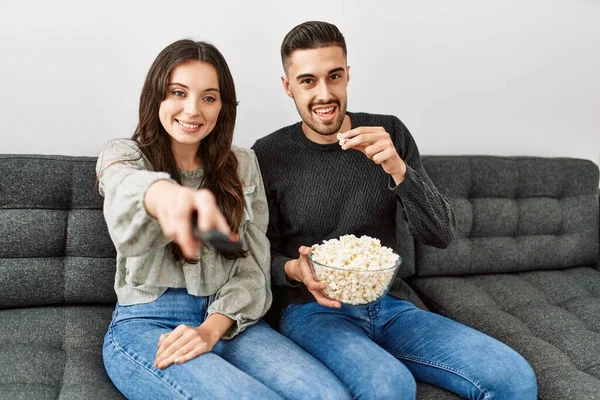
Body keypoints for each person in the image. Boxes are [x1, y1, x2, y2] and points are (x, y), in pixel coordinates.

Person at [252, 21, 538, 400]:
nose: (324, 94)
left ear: (348, 76)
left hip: (390, 305)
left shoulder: (389, 133)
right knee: (389, 386)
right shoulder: (268, 154)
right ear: (288, 86)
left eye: (334, 76)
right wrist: (293, 269)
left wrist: (399, 170)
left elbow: (440, 235)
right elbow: (255, 253)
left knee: (514, 377)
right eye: (308, 81)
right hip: (313, 311)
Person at [97, 39, 351, 400]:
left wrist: (211, 329)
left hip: (230, 318)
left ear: (222, 107)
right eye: (178, 92)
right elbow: (123, 186)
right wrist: (162, 193)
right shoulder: (124, 154)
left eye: (208, 97)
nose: (192, 110)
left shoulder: (243, 165)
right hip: (148, 322)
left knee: (329, 395)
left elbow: (251, 267)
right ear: (156, 97)